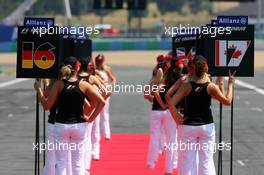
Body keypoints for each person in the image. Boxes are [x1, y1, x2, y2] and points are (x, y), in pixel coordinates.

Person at [34, 56, 105, 175]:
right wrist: (90, 118)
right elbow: (101, 101)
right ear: (77, 68)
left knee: (61, 162)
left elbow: (46, 106)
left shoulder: (58, 84)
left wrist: (39, 91)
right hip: (79, 126)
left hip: (61, 126)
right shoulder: (84, 85)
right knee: (77, 163)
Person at [168, 55, 235, 175]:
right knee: (206, 161)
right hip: (206, 126)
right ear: (206, 67)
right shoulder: (210, 86)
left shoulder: (187, 85)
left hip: (188, 126)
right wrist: (230, 84)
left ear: (194, 68)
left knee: (187, 161)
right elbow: (227, 101)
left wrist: (176, 117)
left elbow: (171, 102)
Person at [146, 61, 177, 175]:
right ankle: (170, 166)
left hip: (156, 111)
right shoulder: (171, 81)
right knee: (171, 140)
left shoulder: (155, 81)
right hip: (168, 112)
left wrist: (155, 100)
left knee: (155, 137)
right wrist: (166, 105)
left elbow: (149, 93)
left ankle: (151, 162)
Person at [95, 54, 116, 141]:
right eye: (98, 61)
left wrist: (110, 87)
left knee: (104, 113)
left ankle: (107, 134)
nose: (99, 62)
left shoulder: (107, 69)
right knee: (96, 113)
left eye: (100, 61)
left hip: (105, 92)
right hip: (96, 92)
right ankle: (97, 135)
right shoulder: (94, 69)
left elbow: (113, 79)